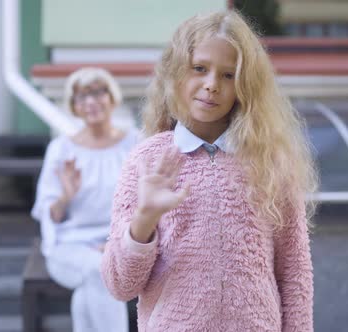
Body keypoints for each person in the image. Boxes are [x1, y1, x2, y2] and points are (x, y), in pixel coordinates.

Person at [101, 10, 318, 332]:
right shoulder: (147, 160)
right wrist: (144, 219)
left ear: (245, 84)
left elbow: (295, 270)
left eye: (228, 75)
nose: (211, 85)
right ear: (175, 73)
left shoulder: (270, 161)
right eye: (199, 68)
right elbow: (120, 285)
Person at [31, 67, 139, 332]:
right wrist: (65, 196)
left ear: (112, 98)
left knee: (89, 288)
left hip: (123, 243)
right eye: (81, 97)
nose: (90, 102)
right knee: (98, 271)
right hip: (70, 247)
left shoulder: (136, 143)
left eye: (98, 92)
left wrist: (116, 241)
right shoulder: (62, 150)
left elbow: (145, 202)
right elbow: (49, 215)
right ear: (74, 106)